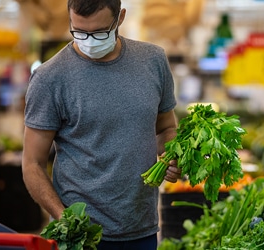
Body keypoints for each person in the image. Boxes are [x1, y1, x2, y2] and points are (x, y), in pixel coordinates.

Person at [21, 0, 182, 249]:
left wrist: (171, 156)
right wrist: (64, 218)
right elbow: (32, 163)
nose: (89, 41)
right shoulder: (49, 78)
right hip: (81, 235)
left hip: (142, 228)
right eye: (79, 31)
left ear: (120, 18)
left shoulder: (153, 61)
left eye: (99, 32)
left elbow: (165, 128)